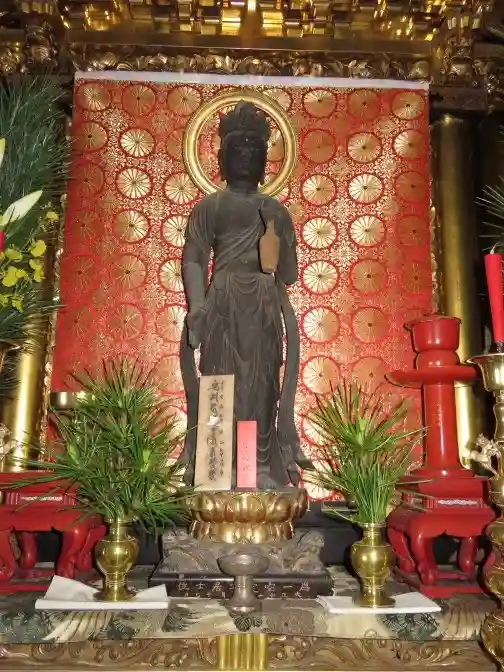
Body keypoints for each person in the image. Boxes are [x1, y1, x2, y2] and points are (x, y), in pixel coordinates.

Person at [179, 101, 310, 489]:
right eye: (238, 149)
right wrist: (197, 306)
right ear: (222, 158)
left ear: (265, 162)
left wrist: (278, 238)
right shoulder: (210, 207)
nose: (247, 156)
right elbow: (194, 259)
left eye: (255, 150)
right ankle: (217, 471)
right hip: (223, 303)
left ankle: (261, 467)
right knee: (220, 380)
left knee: (262, 384)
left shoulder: (276, 211)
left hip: (264, 304)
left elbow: (289, 274)